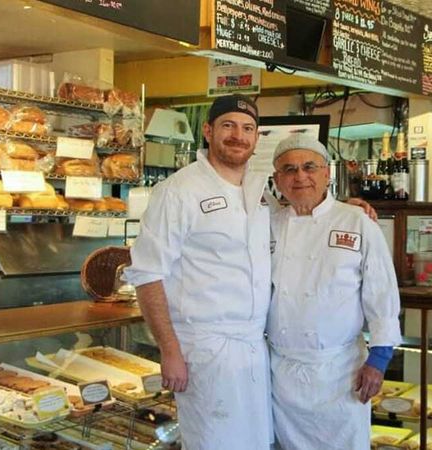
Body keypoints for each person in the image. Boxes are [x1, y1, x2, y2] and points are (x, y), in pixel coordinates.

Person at [124, 94, 274, 450]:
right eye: (228, 126)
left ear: (256, 137)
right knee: (213, 442)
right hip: (204, 351)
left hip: (253, 349)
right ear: (208, 131)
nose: (238, 135)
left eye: (247, 128)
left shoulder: (259, 190)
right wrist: (169, 350)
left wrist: (346, 210)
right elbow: (147, 274)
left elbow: (300, 219)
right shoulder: (178, 191)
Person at [266, 134, 401, 449]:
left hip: (342, 372)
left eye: (309, 167)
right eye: (289, 169)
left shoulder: (357, 221)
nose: (300, 176)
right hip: (282, 371)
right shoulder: (267, 223)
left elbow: (382, 292)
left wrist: (380, 358)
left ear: (327, 174)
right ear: (277, 179)